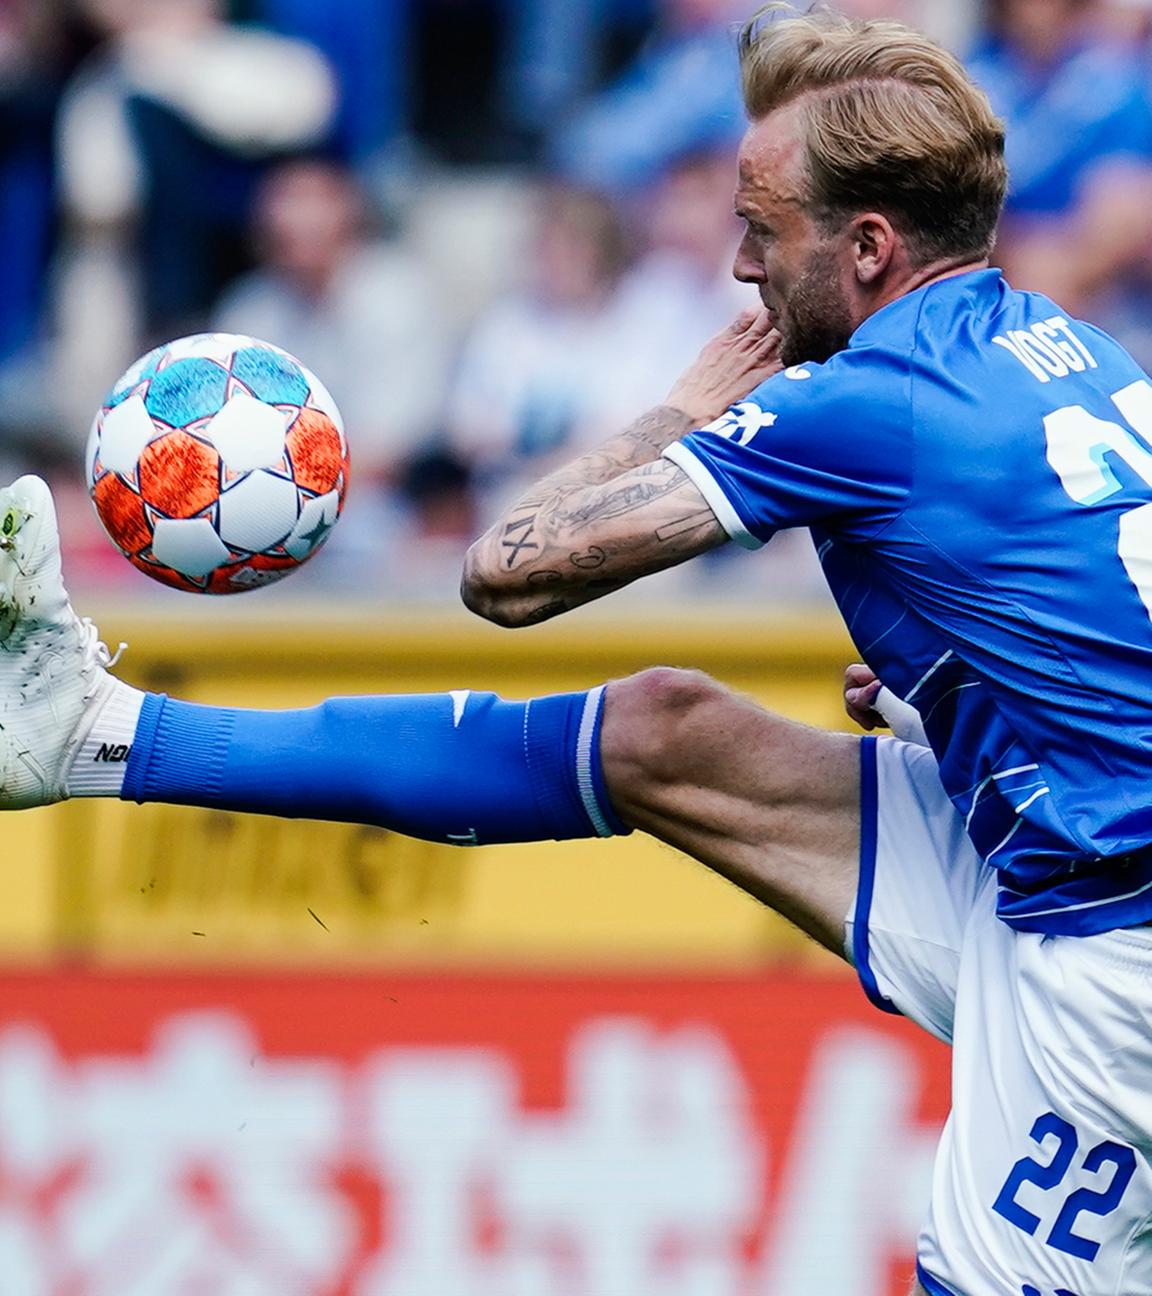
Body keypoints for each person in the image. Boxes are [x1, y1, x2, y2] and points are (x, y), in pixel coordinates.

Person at [5, 8, 1152, 1293]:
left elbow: (511, 569)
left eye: (761, 229)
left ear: (870, 247)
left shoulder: (867, 403)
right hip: (1051, 847)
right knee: (666, 732)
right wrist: (958, 701)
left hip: (1111, 944)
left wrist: (679, 409)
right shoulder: (1066, 347)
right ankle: (101, 734)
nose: (738, 272)